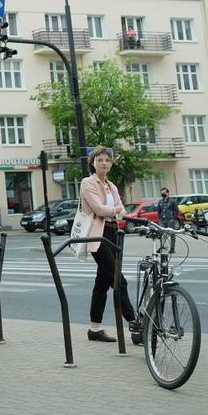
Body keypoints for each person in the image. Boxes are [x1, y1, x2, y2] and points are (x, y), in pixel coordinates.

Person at [79, 146, 138, 343]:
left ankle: (94, 329)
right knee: (118, 280)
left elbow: (120, 212)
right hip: (98, 235)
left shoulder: (111, 186)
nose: (104, 163)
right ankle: (136, 324)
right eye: (99, 160)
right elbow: (98, 209)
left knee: (102, 283)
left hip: (114, 233)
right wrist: (115, 209)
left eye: (107, 160)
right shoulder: (88, 182)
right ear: (93, 163)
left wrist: (114, 210)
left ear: (111, 164)